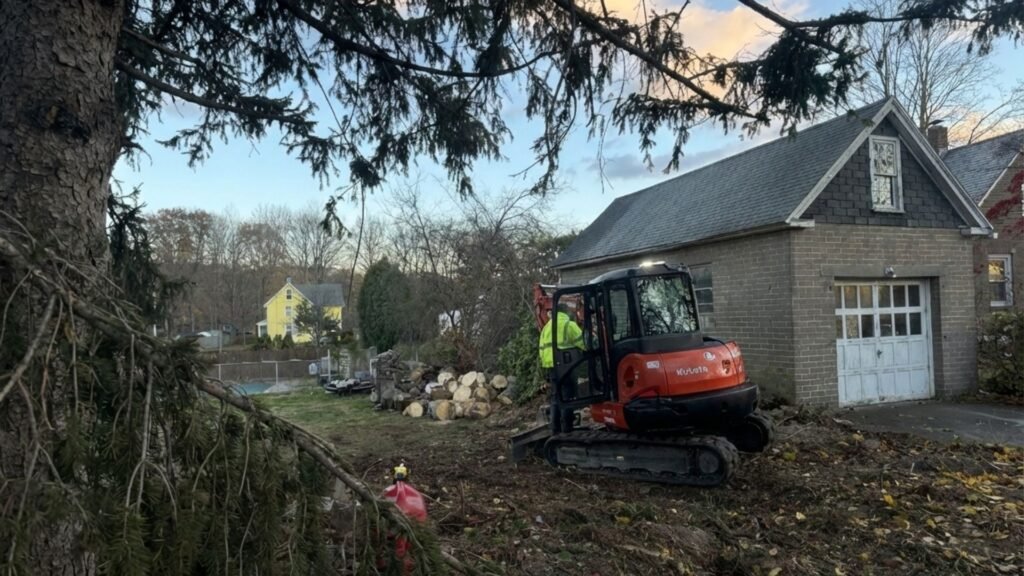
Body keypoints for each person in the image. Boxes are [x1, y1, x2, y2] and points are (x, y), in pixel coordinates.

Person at [538, 304, 584, 371]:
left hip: (550, 367)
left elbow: (541, 350)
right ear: (565, 312)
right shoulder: (569, 325)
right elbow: (584, 343)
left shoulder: (545, 328)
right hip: (567, 365)